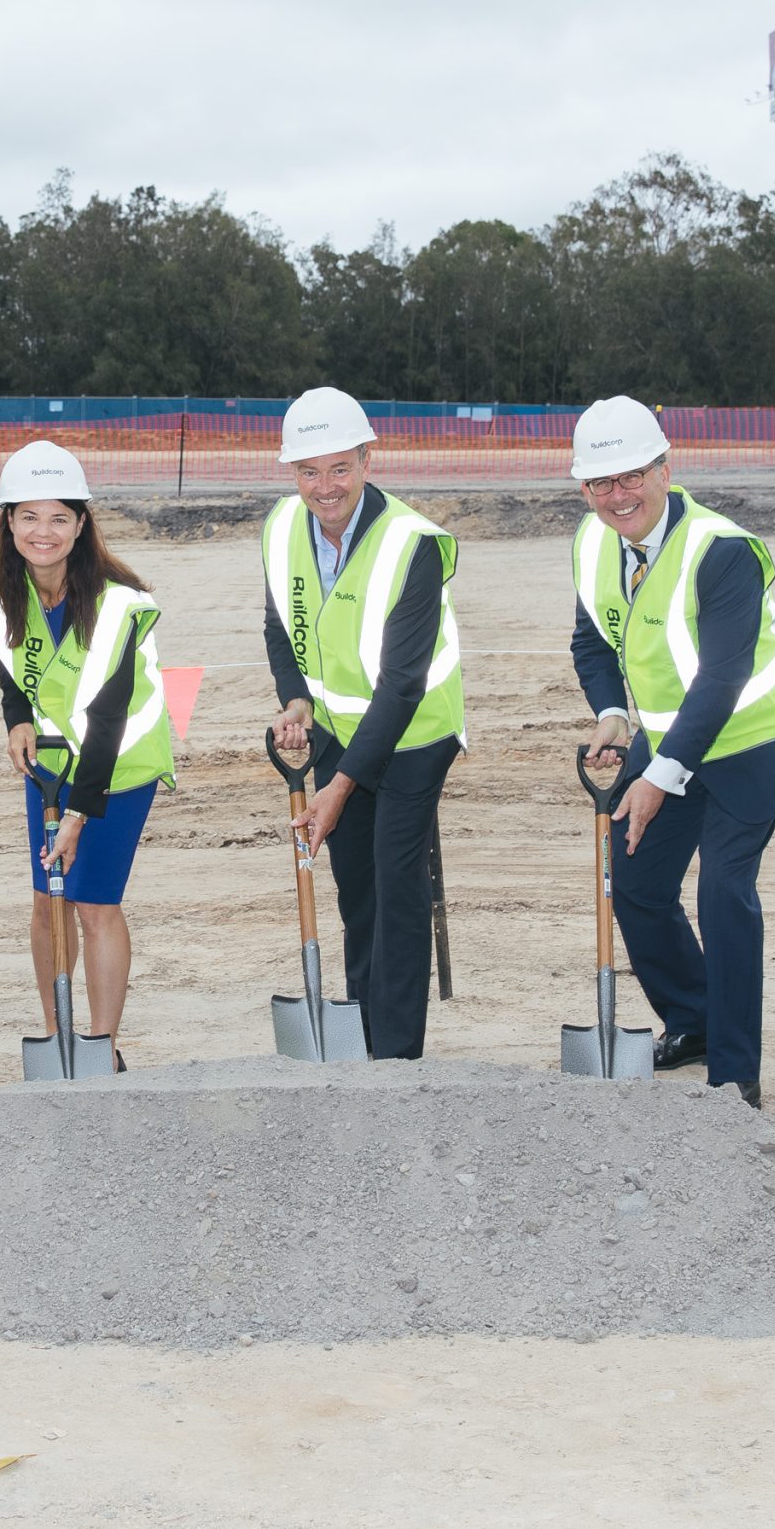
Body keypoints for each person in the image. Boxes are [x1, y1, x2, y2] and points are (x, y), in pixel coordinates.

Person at [565, 396, 775, 1104]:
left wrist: (660, 776)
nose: (619, 496)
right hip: (674, 737)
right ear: (584, 490)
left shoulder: (720, 548)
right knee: (634, 882)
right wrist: (613, 713)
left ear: (665, 468)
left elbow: (723, 675)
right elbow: (592, 641)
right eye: (602, 483)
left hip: (757, 737)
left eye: (633, 476)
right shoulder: (591, 543)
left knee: (723, 887)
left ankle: (735, 1074)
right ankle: (695, 1017)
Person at [263, 387, 465, 1060]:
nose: (325, 487)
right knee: (356, 889)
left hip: (414, 735)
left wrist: (339, 787)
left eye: (340, 467)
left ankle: (397, 1055)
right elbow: (280, 627)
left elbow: (402, 685)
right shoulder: (283, 528)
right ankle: (361, 1034)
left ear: (367, 459)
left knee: (395, 882)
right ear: (292, 471)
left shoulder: (413, 545)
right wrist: (295, 699)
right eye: (309, 471)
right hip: (337, 729)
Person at [0, 441, 174, 1063]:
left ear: (82, 523)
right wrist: (16, 719)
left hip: (119, 767)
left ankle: (103, 1047)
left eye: (59, 517)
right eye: (29, 516)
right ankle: (59, 1035)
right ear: (7, 520)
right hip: (52, 766)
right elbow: (9, 654)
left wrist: (80, 817)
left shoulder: (118, 602)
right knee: (46, 902)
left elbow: (110, 718)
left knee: (92, 902)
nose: (44, 532)